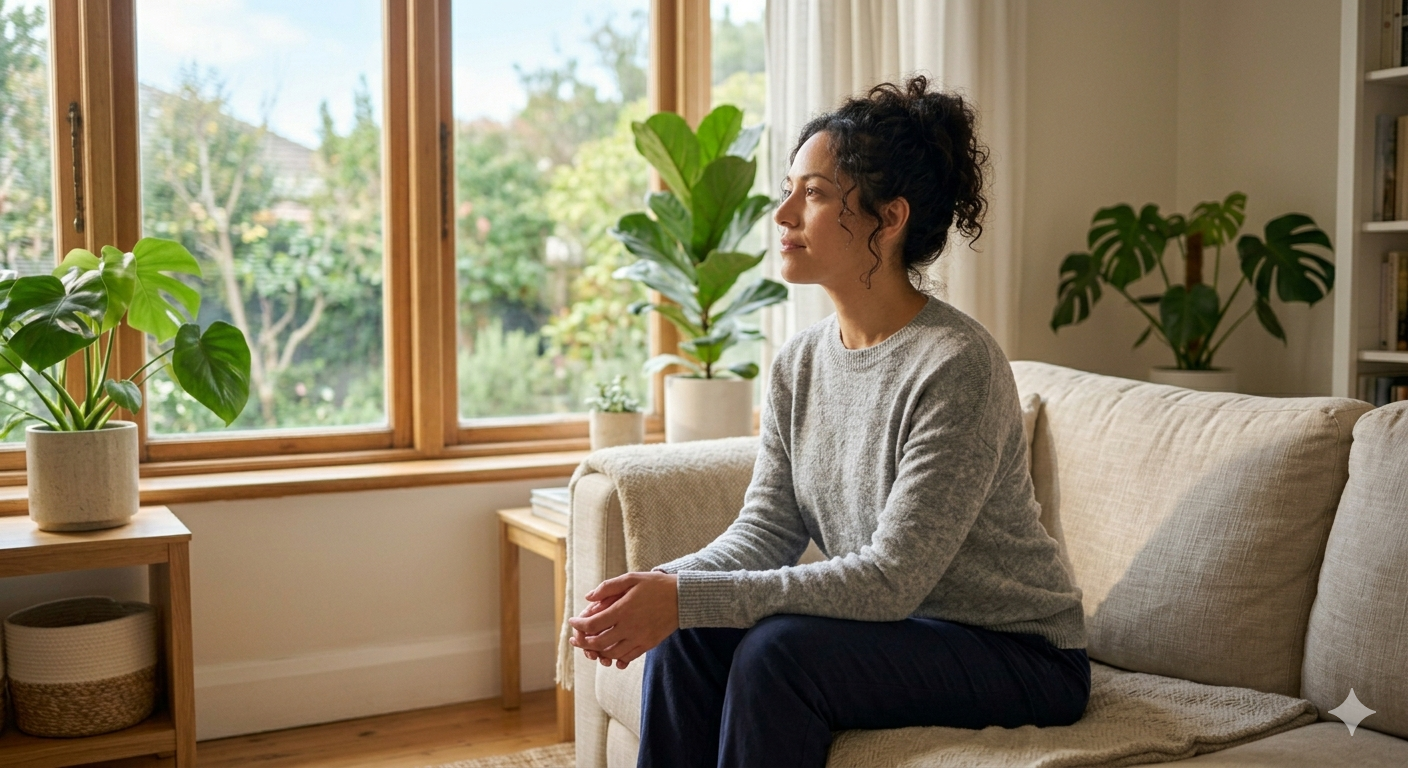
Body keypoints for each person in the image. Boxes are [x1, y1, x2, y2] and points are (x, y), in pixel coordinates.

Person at [568, 75, 1090, 768]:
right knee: (691, 635)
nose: (782, 214)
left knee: (778, 654)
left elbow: (891, 579)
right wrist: (664, 586)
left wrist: (688, 595)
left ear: (890, 218)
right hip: (911, 629)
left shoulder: (957, 364)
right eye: (789, 189)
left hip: (1017, 652)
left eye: (812, 194)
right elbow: (766, 530)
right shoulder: (799, 362)